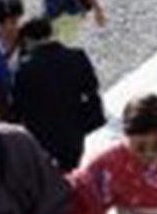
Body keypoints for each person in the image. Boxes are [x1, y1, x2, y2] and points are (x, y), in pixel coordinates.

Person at [10, 17, 107, 171]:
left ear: (27, 39)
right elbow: (91, 88)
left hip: (43, 135)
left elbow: (19, 105)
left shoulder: (25, 69)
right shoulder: (77, 56)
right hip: (75, 128)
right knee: (73, 168)